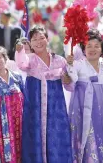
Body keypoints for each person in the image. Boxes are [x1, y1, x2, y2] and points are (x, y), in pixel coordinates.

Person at [15, 26, 73, 163]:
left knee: (57, 135)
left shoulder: (60, 60)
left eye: (41, 37)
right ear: (30, 43)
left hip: (56, 108)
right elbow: (21, 64)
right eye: (34, 39)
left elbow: (69, 85)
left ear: (47, 39)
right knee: (35, 135)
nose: (38, 41)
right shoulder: (29, 60)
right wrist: (19, 50)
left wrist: (67, 79)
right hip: (35, 108)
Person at [66, 29, 103, 162]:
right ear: (83, 49)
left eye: (96, 46)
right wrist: (69, 64)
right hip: (82, 107)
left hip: (101, 107)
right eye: (89, 46)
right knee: (85, 136)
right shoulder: (79, 64)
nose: (93, 49)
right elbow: (74, 78)